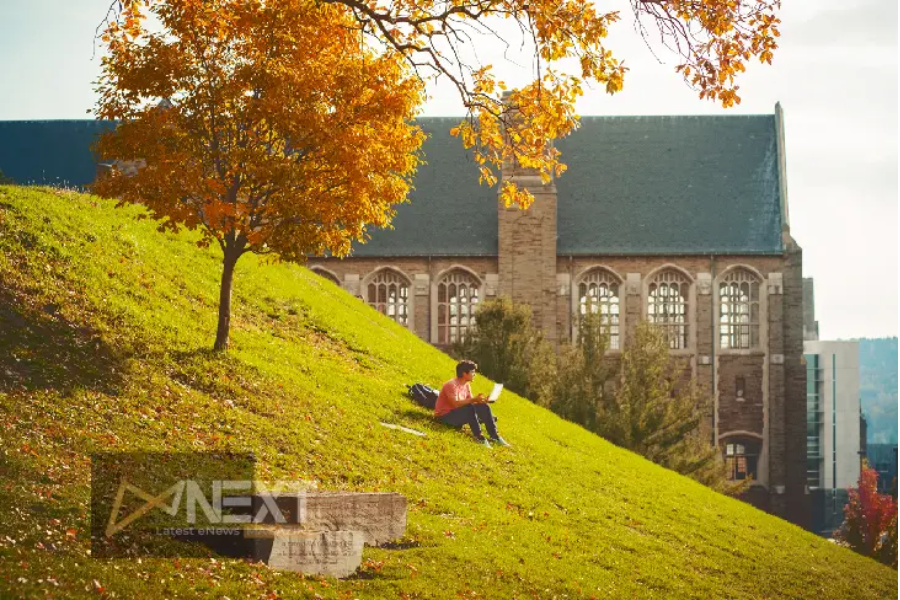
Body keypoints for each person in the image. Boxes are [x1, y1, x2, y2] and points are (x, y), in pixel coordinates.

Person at [434, 360, 509, 448]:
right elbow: (455, 404)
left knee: (484, 407)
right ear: (464, 374)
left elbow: (471, 401)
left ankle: (495, 436)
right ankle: (479, 437)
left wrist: (484, 400)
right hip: (444, 417)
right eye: (472, 372)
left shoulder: (466, 385)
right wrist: (474, 399)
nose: (474, 374)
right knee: (469, 408)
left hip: (457, 415)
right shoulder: (451, 385)